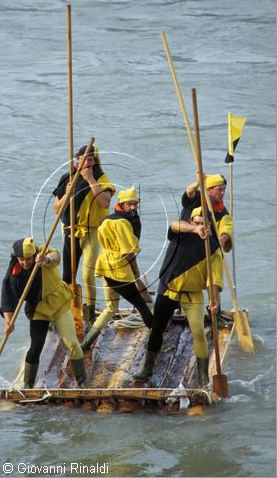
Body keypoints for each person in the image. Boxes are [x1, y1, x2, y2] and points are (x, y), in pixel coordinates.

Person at [133, 207, 223, 388]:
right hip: (168, 289)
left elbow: (214, 280)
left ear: (210, 225)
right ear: (191, 221)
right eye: (196, 222)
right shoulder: (181, 233)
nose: (199, 226)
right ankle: (147, 368)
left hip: (192, 294)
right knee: (157, 328)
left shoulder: (213, 248)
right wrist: (194, 229)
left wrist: (214, 301)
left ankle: (203, 376)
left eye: (202, 223)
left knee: (198, 331)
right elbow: (174, 225)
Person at [0, 237, 88, 388]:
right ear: (16, 257)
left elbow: (56, 257)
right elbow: (8, 300)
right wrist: (8, 321)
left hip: (59, 304)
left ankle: (82, 381)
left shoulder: (42, 253)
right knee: (36, 346)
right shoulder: (13, 273)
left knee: (71, 342)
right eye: (22, 259)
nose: (25, 263)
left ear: (34, 255)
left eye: (29, 259)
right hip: (38, 310)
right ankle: (28, 385)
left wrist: (45, 260)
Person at [80, 186, 154, 351]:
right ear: (122, 204)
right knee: (141, 305)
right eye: (130, 204)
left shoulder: (107, 220)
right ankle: (158, 342)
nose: (134, 207)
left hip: (105, 266)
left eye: (135, 204)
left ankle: (85, 343)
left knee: (111, 308)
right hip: (118, 270)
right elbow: (128, 252)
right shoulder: (122, 223)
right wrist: (136, 273)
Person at [53, 144, 115, 328]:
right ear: (77, 160)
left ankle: (89, 315)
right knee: (67, 277)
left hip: (92, 231)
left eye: (91, 159)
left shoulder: (101, 178)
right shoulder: (67, 178)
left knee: (88, 274)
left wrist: (90, 180)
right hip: (71, 230)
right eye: (84, 159)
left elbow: (104, 203)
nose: (88, 162)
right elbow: (57, 209)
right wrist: (67, 195)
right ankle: (68, 313)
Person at [181, 173, 233, 328]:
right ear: (209, 190)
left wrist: (222, 239)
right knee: (183, 282)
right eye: (219, 190)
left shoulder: (221, 210)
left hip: (211, 250)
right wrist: (197, 182)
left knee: (214, 282)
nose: (223, 193)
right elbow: (188, 192)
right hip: (189, 248)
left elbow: (226, 227)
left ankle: (215, 314)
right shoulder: (197, 199)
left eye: (224, 189)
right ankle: (178, 309)